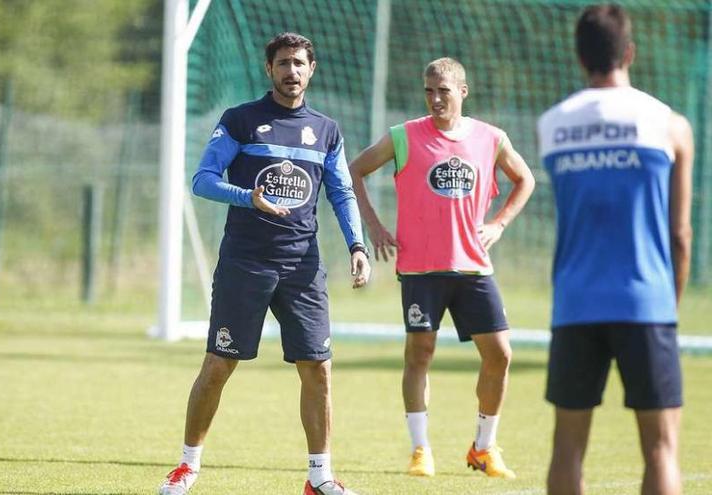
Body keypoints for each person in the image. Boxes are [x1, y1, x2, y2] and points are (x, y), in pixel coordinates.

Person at [158, 32, 370, 495]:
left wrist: (358, 245)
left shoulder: (327, 130)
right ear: (268, 69)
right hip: (245, 263)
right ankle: (187, 466)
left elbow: (340, 191)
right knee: (219, 363)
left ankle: (320, 478)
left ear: (311, 69)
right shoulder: (240, 121)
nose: (291, 71)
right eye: (283, 63)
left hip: (302, 266)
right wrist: (247, 198)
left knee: (318, 367)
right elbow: (203, 180)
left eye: (299, 63)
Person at [349, 57, 535, 479]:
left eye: (444, 91)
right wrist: (375, 226)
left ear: (462, 92)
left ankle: (483, 448)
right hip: (420, 269)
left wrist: (500, 223)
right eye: (429, 91)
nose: (435, 99)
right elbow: (356, 169)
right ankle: (420, 450)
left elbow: (525, 179)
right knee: (420, 355)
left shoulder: (491, 138)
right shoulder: (403, 136)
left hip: (473, 268)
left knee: (500, 355)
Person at [538, 5, 693, 495]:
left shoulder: (552, 125)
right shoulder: (670, 125)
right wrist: (670, 306)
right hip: (646, 302)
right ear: (629, 51)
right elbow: (681, 234)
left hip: (575, 303)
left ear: (578, 56)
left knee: (567, 448)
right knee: (661, 449)